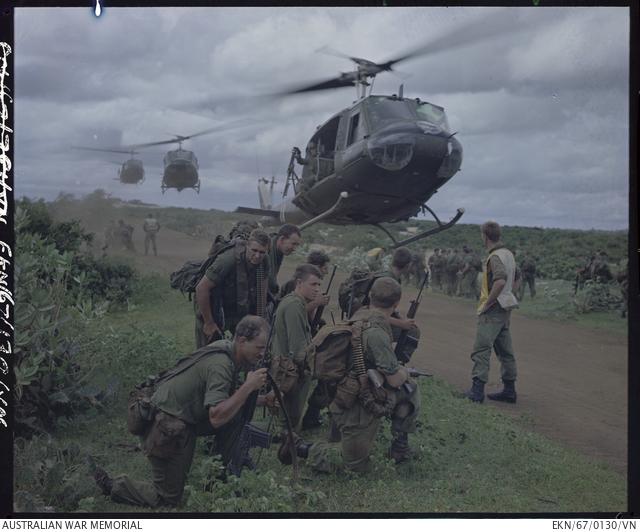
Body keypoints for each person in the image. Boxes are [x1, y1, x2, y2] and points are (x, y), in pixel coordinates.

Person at [90, 316, 272, 508]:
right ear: (242, 341)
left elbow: (226, 400)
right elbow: (217, 417)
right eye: (259, 348)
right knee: (167, 499)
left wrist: (262, 400)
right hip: (167, 427)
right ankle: (112, 484)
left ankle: (218, 476)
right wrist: (248, 386)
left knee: (235, 416)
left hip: (183, 417)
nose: (262, 354)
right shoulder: (221, 365)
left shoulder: (228, 349)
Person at [277, 277, 421, 472]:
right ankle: (302, 448)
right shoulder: (376, 333)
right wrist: (403, 370)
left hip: (342, 394)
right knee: (353, 465)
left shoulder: (360, 315)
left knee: (409, 391)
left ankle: (399, 448)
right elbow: (395, 379)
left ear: (370, 297)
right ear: (397, 303)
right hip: (357, 403)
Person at [464, 221, 519, 404]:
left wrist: (488, 303)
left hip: (493, 310)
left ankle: (477, 391)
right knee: (505, 351)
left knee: (481, 349)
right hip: (504, 309)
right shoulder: (508, 254)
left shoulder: (495, 257)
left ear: (485, 236)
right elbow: (516, 278)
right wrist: (508, 297)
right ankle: (510, 390)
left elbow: (500, 281)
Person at [194, 229, 271, 348]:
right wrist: (209, 323)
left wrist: (259, 319)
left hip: (239, 307)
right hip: (214, 307)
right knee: (208, 350)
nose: (257, 256)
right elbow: (201, 289)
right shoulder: (228, 260)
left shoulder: (264, 261)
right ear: (247, 246)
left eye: (262, 252)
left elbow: (262, 291)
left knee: (245, 347)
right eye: (254, 250)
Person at [271, 264, 323, 433]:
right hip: (290, 370)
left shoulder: (296, 302)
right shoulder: (294, 305)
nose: (317, 289)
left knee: (288, 418)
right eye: (313, 284)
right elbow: (298, 349)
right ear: (299, 283)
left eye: (319, 285)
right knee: (289, 421)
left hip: (287, 368)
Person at [266, 224, 303, 296]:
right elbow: (270, 281)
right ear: (281, 239)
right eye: (293, 244)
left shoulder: (279, 251)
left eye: (297, 245)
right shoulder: (267, 249)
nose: (294, 249)